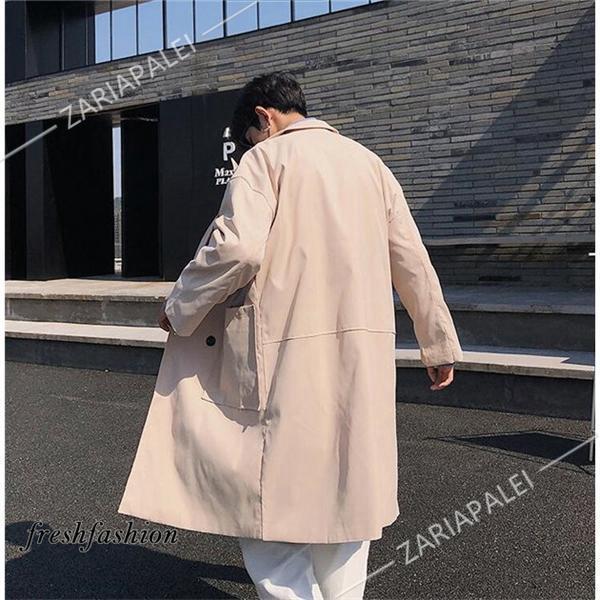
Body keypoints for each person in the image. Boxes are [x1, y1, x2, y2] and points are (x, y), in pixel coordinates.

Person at [154, 71, 462, 599]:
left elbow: (237, 248)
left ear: (264, 117)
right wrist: (437, 341)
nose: (249, 144)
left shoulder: (265, 160)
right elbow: (411, 260)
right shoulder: (370, 164)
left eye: (250, 135)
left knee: (270, 505)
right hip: (359, 355)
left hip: (280, 353)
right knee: (347, 497)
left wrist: (179, 306)